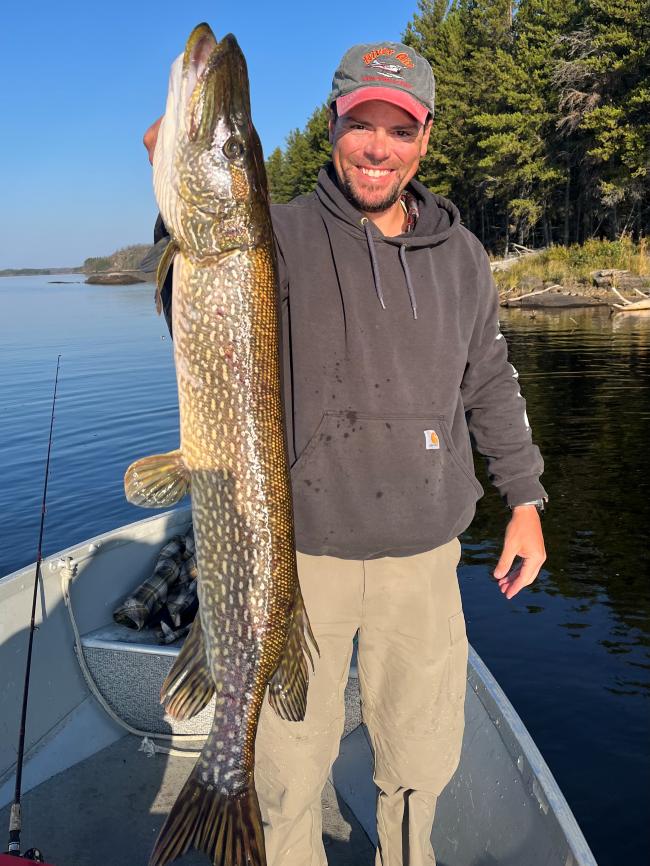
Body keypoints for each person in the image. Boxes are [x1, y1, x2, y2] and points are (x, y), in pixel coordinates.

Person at [144, 40, 547, 866]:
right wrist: (172, 189)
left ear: (425, 138)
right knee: (287, 776)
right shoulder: (277, 235)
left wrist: (527, 500)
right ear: (333, 124)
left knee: (419, 768)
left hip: (423, 562)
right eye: (361, 123)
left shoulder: (463, 258)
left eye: (399, 129)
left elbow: (490, 382)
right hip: (300, 560)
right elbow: (195, 287)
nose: (377, 148)